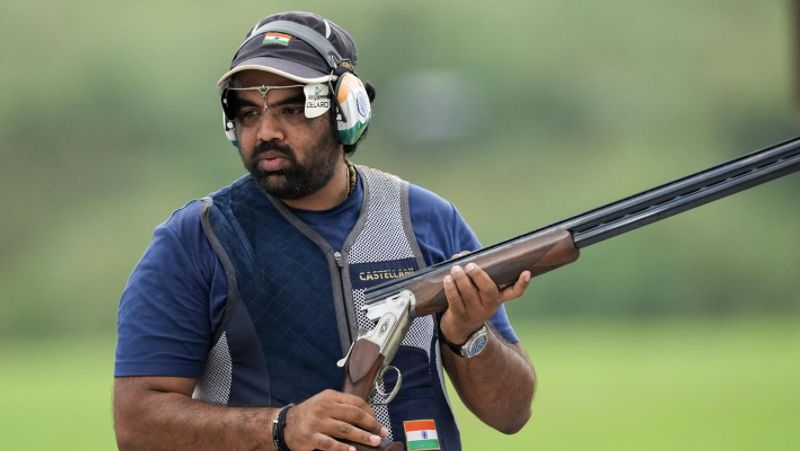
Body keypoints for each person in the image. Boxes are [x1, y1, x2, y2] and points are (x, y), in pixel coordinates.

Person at [113, 11, 535, 451]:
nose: (266, 131)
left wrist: (470, 334)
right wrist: (280, 427)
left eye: (292, 108)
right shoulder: (196, 240)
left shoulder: (429, 219)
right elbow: (136, 423)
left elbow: (511, 413)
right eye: (249, 112)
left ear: (346, 109)